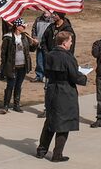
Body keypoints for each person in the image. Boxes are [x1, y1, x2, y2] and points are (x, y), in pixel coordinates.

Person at [37, 31, 87, 161]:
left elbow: (46, 72)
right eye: (70, 41)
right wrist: (84, 76)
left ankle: (41, 150)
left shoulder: (49, 55)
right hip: (65, 91)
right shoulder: (68, 57)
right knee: (64, 123)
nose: (71, 43)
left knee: (50, 120)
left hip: (52, 89)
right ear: (64, 43)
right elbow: (74, 76)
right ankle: (57, 154)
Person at [0, 18, 37, 114]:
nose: (24, 27)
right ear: (17, 26)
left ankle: (16, 105)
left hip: (23, 66)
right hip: (12, 66)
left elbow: (31, 50)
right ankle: (6, 106)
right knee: (10, 86)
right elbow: (3, 54)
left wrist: (35, 44)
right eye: (23, 26)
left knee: (18, 86)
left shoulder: (25, 37)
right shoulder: (8, 38)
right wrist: (3, 67)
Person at [31, 11, 54, 82]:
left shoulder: (53, 21)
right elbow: (34, 29)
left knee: (48, 61)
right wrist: (34, 38)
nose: (45, 12)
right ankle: (39, 75)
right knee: (39, 60)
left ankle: (48, 76)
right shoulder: (38, 19)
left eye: (47, 11)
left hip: (48, 45)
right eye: (44, 10)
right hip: (39, 44)